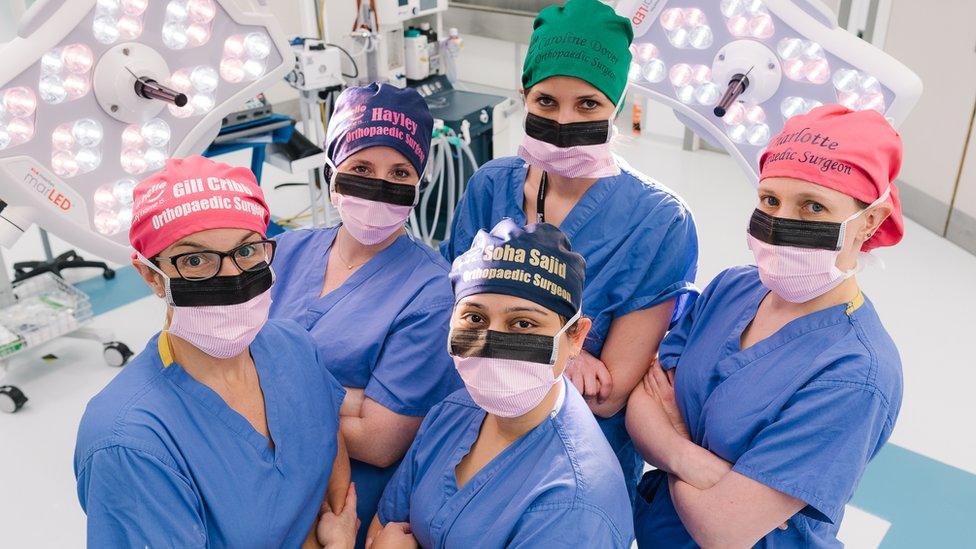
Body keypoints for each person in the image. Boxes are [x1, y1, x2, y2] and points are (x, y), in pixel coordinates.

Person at [440, 0, 698, 497]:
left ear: (616, 107)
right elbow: (453, 325)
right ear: (523, 97)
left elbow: (608, 394)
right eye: (546, 102)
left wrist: (525, 342)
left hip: (573, 459)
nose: (563, 120)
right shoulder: (491, 186)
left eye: (588, 105)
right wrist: (559, 352)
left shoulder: (660, 221)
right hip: (470, 424)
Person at [626, 105, 905, 547]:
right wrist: (691, 458)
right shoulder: (733, 288)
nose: (781, 224)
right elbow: (641, 402)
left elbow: (723, 529)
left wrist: (672, 439)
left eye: (813, 207)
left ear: (869, 220)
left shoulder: (855, 374)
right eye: (770, 200)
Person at [74, 156, 358, 548]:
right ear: (150, 276)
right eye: (195, 260)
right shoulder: (129, 441)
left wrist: (341, 523)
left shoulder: (291, 346)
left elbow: (330, 447)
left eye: (247, 252)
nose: (232, 278)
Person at [269, 83, 461, 547]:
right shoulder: (287, 252)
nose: (380, 185)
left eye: (400, 171)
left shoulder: (431, 291)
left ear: (418, 183)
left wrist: (262, 391)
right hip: (263, 484)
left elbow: (379, 441)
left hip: (346, 506)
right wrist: (349, 399)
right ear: (333, 171)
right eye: (361, 167)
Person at [369, 219, 634, 548]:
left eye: (523, 323)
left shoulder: (574, 505)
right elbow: (383, 525)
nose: (491, 342)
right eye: (475, 318)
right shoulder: (453, 412)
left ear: (576, 338)